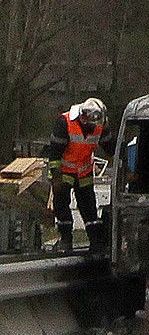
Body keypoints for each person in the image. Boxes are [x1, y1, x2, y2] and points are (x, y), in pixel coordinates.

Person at [46, 98, 113, 253]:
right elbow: (54, 153)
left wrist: (125, 159)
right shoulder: (65, 122)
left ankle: (96, 242)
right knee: (62, 204)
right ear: (83, 118)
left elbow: (110, 146)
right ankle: (66, 239)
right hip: (63, 171)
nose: (94, 129)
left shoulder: (100, 125)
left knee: (89, 206)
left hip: (83, 171)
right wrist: (56, 178)